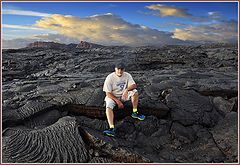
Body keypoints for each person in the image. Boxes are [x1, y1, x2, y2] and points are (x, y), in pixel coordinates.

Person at [102, 62, 145, 137]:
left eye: (121, 69)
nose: (120, 71)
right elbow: (108, 93)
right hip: (113, 96)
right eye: (118, 69)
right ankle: (111, 128)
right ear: (115, 69)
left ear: (124, 69)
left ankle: (135, 112)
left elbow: (134, 85)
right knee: (108, 107)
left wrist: (126, 90)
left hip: (123, 95)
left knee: (135, 92)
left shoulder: (127, 75)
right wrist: (118, 101)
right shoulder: (110, 77)